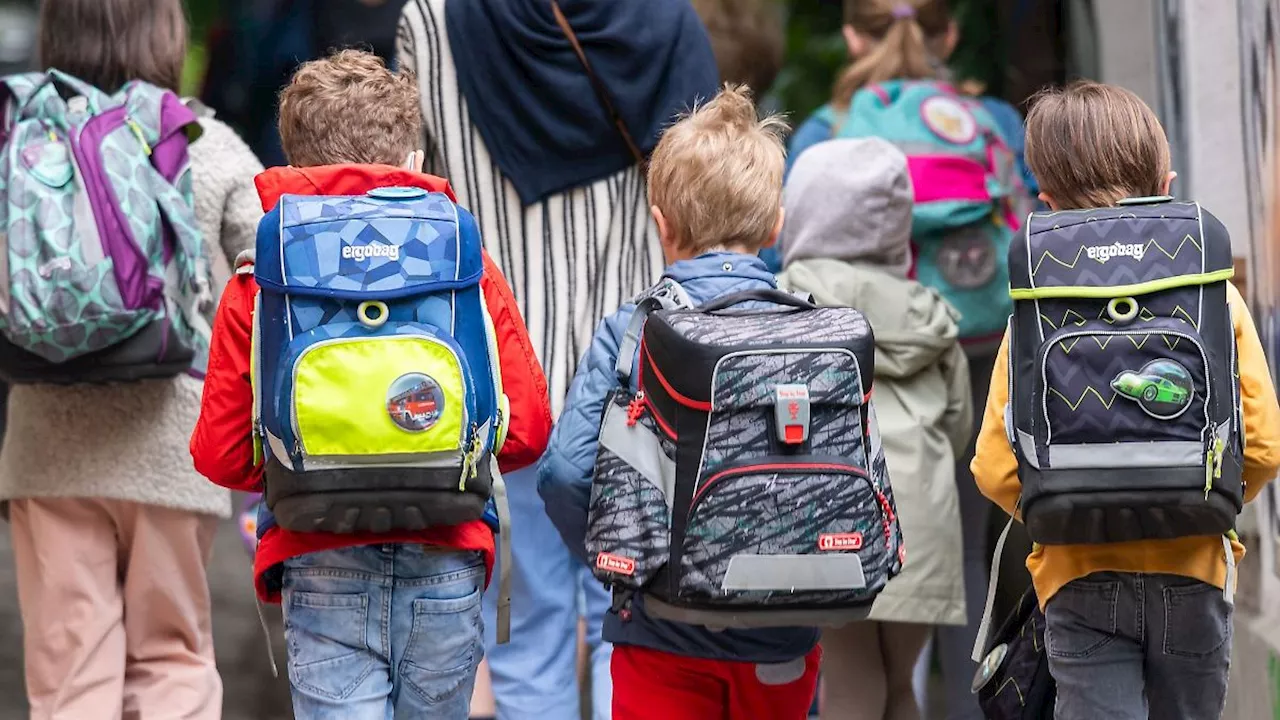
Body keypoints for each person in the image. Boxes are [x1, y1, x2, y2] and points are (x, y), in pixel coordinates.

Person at [190, 49, 553, 719]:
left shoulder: (261, 280)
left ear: (296, 162)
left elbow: (220, 455)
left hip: (318, 556)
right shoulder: (465, 266)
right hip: (446, 556)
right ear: (411, 158)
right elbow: (528, 431)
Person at [397, 2, 719, 717]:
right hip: (643, 380)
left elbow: (413, 195)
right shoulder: (665, 24)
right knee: (631, 625)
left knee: (522, 635)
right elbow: (712, 198)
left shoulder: (432, 20)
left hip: (503, 381)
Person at [971, 80, 1280, 719]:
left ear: (1047, 202)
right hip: (1194, 570)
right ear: (1165, 184)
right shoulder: (1211, 294)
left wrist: (1071, 509)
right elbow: (1266, 445)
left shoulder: (1036, 311)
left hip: (1076, 575)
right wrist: (1195, 497)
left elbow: (995, 468)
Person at [0, 0, 264, 716]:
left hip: (49, 447)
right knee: (173, 662)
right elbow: (271, 276)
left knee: (71, 678)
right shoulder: (205, 142)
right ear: (167, 37)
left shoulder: (17, 143)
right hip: (174, 447)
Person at [538, 84, 820, 720]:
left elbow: (564, 475)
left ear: (660, 226)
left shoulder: (633, 331)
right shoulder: (815, 332)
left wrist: (626, 565)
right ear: (776, 224)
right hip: (783, 634)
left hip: (659, 632)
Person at [780, 4, 1031, 715]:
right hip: (968, 347)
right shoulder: (996, 127)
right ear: (949, 33)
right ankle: (976, 703)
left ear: (853, 35)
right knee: (968, 549)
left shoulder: (825, 135)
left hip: (846, 366)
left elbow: (786, 256)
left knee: (849, 569)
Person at [777, 137, 972, 720]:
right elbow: (959, 424)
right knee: (899, 686)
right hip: (923, 529)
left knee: (849, 681)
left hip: (833, 518)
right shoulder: (930, 312)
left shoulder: (787, 301)